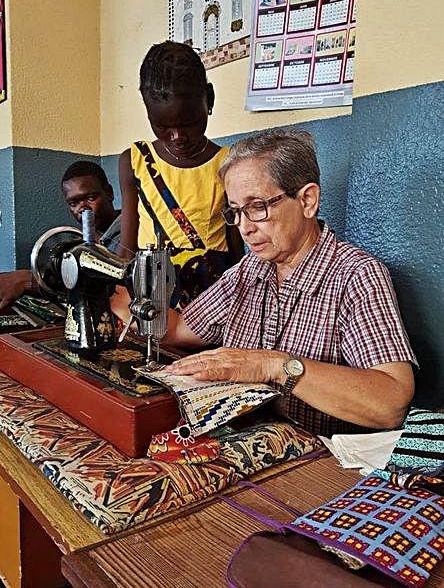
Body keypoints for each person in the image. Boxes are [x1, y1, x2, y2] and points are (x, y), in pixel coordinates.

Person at [156, 129, 416, 437]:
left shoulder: (356, 276)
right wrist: (126, 304)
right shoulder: (250, 269)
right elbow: (177, 329)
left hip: (320, 463)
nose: (244, 227)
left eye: (256, 207)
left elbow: (390, 403)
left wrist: (275, 365)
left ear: (307, 200)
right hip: (247, 442)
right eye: (236, 212)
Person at [118, 40, 243, 309]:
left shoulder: (229, 163)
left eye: (189, 124)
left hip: (212, 296)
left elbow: (237, 252)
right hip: (150, 291)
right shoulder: (134, 161)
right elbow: (127, 250)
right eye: (162, 126)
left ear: (208, 99)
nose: (177, 137)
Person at [0, 161, 121, 310]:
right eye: (73, 203)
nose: (82, 208)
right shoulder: (80, 242)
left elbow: (110, 290)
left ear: (109, 192)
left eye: (90, 198)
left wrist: (27, 280)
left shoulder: (133, 234)